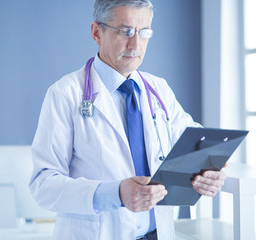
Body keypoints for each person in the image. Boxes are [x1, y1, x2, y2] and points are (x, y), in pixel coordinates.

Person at [29, 0, 226, 239]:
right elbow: (44, 184)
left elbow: (196, 142)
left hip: (159, 233)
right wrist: (116, 194)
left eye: (144, 33)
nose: (135, 44)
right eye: (125, 31)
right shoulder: (65, 94)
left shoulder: (158, 89)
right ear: (96, 32)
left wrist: (210, 170)